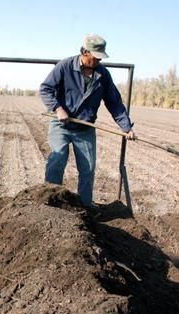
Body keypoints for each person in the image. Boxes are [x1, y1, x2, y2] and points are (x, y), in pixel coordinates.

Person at [39, 34, 136, 207]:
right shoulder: (65, 66)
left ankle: (85, 208)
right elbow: (45, 89)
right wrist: (58, 108)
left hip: (85, 128)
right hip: (61, 124)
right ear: (84, 52)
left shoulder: (103, 75)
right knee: (57, 160)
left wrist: (126, 127)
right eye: (95, 57)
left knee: (88, 168)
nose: (98, 61)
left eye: (101, 57)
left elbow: (114, 102)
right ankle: (50, 205)